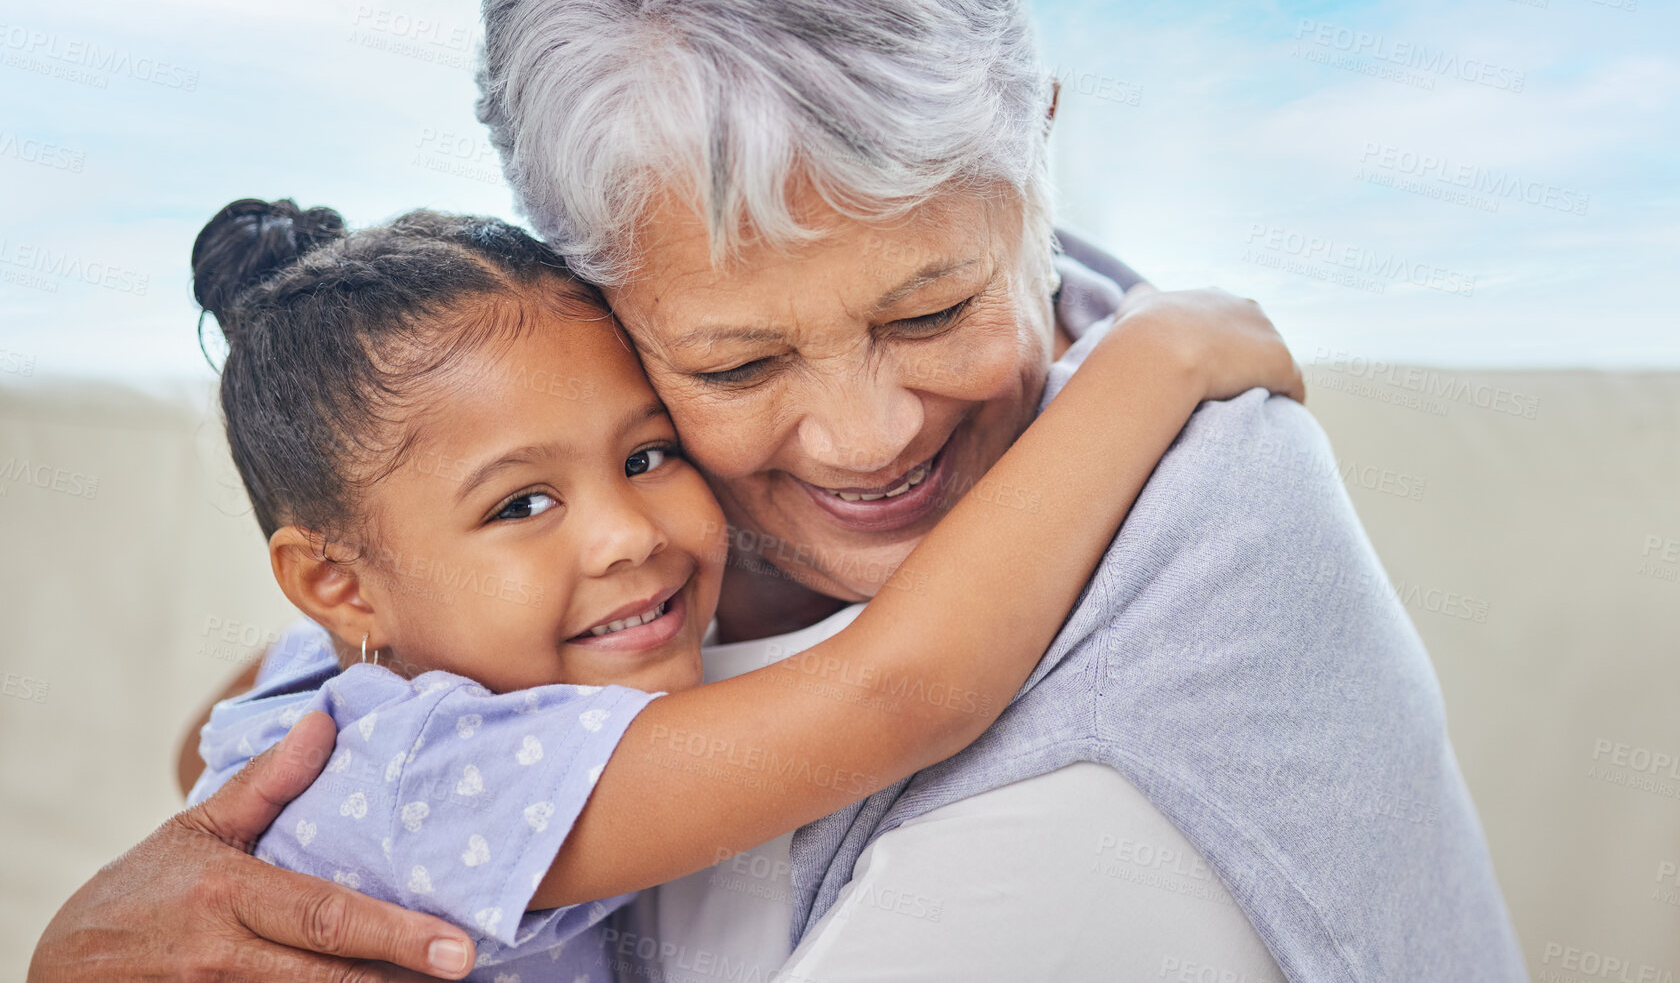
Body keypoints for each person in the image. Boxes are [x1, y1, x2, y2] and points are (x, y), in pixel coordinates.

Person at [34, 0, 1528, 979]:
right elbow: (278, 736)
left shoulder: (1194, 566)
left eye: (933, 304)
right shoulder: (602, 520)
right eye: (736, 361)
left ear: (1037, 154)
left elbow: (903, 691)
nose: (870, 434)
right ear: (601, 304)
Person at [37, 197, 1291, 982]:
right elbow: (900, 690)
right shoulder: (443, 771)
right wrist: (1154, 358)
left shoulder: (342, 684)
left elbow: (210, 730)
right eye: (522, 504)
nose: (630, 534)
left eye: (648, 455)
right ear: (333, 579)